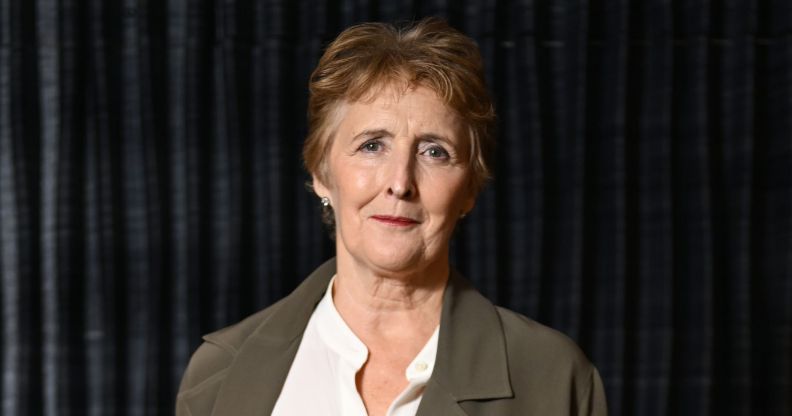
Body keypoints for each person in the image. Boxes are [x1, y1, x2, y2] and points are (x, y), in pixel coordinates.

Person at [176, 17, 607, 416]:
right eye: (371, 145)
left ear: (470, 190)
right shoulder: (219, 372)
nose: (400, 182)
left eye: (434, 151)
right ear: (322, 174)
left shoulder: (553, 377)